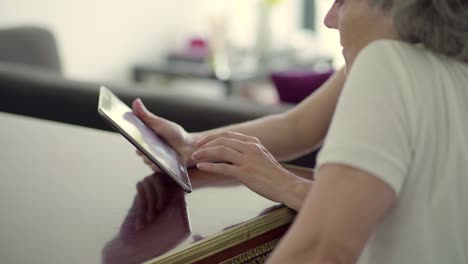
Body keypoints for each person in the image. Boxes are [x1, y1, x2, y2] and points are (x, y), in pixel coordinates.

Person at [132, 0, 468, 262]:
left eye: (344, 2)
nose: (329, 19)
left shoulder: (387, 63)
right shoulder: (452, 69)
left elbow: (319, 251)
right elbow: (297, 125)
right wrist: (191, 144)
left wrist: (286, 183)